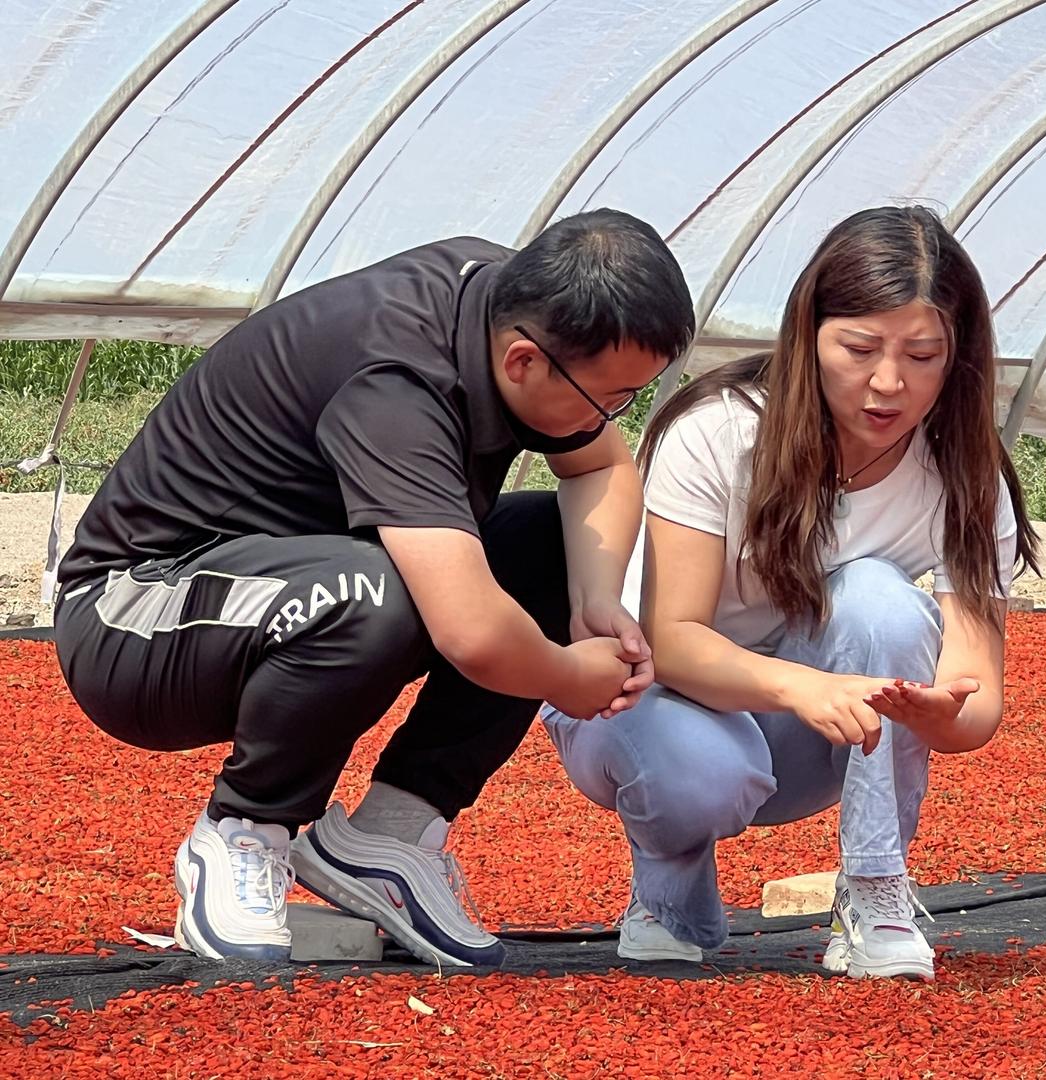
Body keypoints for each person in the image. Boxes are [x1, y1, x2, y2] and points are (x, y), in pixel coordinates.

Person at [53, 209, 695, 966]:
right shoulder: (398, 378)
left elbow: (601, 469)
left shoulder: (515, 306)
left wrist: (592, 598)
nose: (612, 418)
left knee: (549, 547)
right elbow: (473, 634)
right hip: (135, 612)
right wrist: (567, 677)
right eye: (610, 400)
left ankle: (392, 834)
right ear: (523, 361)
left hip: (291, 580)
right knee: (376, 594)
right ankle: (243, 828)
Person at [544, 205, 1038, 980]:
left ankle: (875, 889)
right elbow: (670, 638)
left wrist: (941, 716)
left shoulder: (967, 477)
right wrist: (806, 686)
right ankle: (668, 896)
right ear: (809, 335)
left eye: (922, 354)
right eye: (860, 347)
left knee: (879, 598)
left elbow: (977, 701)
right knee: (705, 773)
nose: (888, 382)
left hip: (811, 734)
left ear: (960, 357)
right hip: (646, 700)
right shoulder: (720, 429)